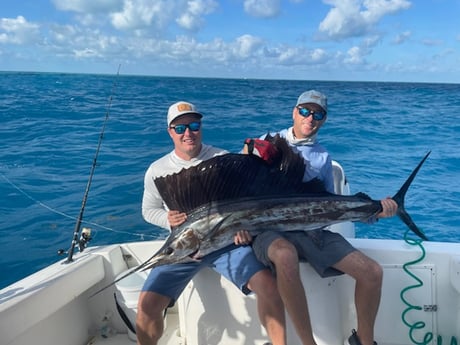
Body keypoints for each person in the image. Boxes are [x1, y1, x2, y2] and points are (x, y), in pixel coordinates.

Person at [245, 90, 398, 345]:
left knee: (372, 272)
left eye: (317, 114)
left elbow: (330, 205)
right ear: (294, 112)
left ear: (323, 120)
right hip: (268, 229)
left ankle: (364, 341)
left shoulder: (323, 157)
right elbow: (242, 184)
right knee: (285, 254)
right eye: (305, 111)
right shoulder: (267, 141)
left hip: (309, 229)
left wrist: (375, 213)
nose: (310, 118)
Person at [138, 101, 286, 345]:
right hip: (183, 248)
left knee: (269, 288)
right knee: (147, 305)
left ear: (201, 127)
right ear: (170, 132)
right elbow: (148, 210)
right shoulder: (157, 170)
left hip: (226, 244)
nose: (188, 133)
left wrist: (244, 229)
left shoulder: (221, 159)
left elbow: (243, 205)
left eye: (194, 125)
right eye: (180, 128)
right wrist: (166, 218)